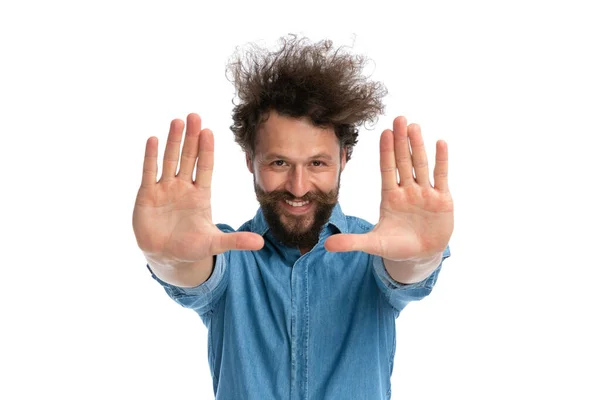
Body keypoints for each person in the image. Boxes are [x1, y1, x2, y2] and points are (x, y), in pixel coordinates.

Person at [132, 35, 453, 400]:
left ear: (344, 159)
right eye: (279, 162)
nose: (298, 187)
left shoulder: (376, 251)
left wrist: (421, 257)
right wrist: (166, 259)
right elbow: (191, 270)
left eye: (317, 163)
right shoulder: (226, 255)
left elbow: (404, 271)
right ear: (250, 161)